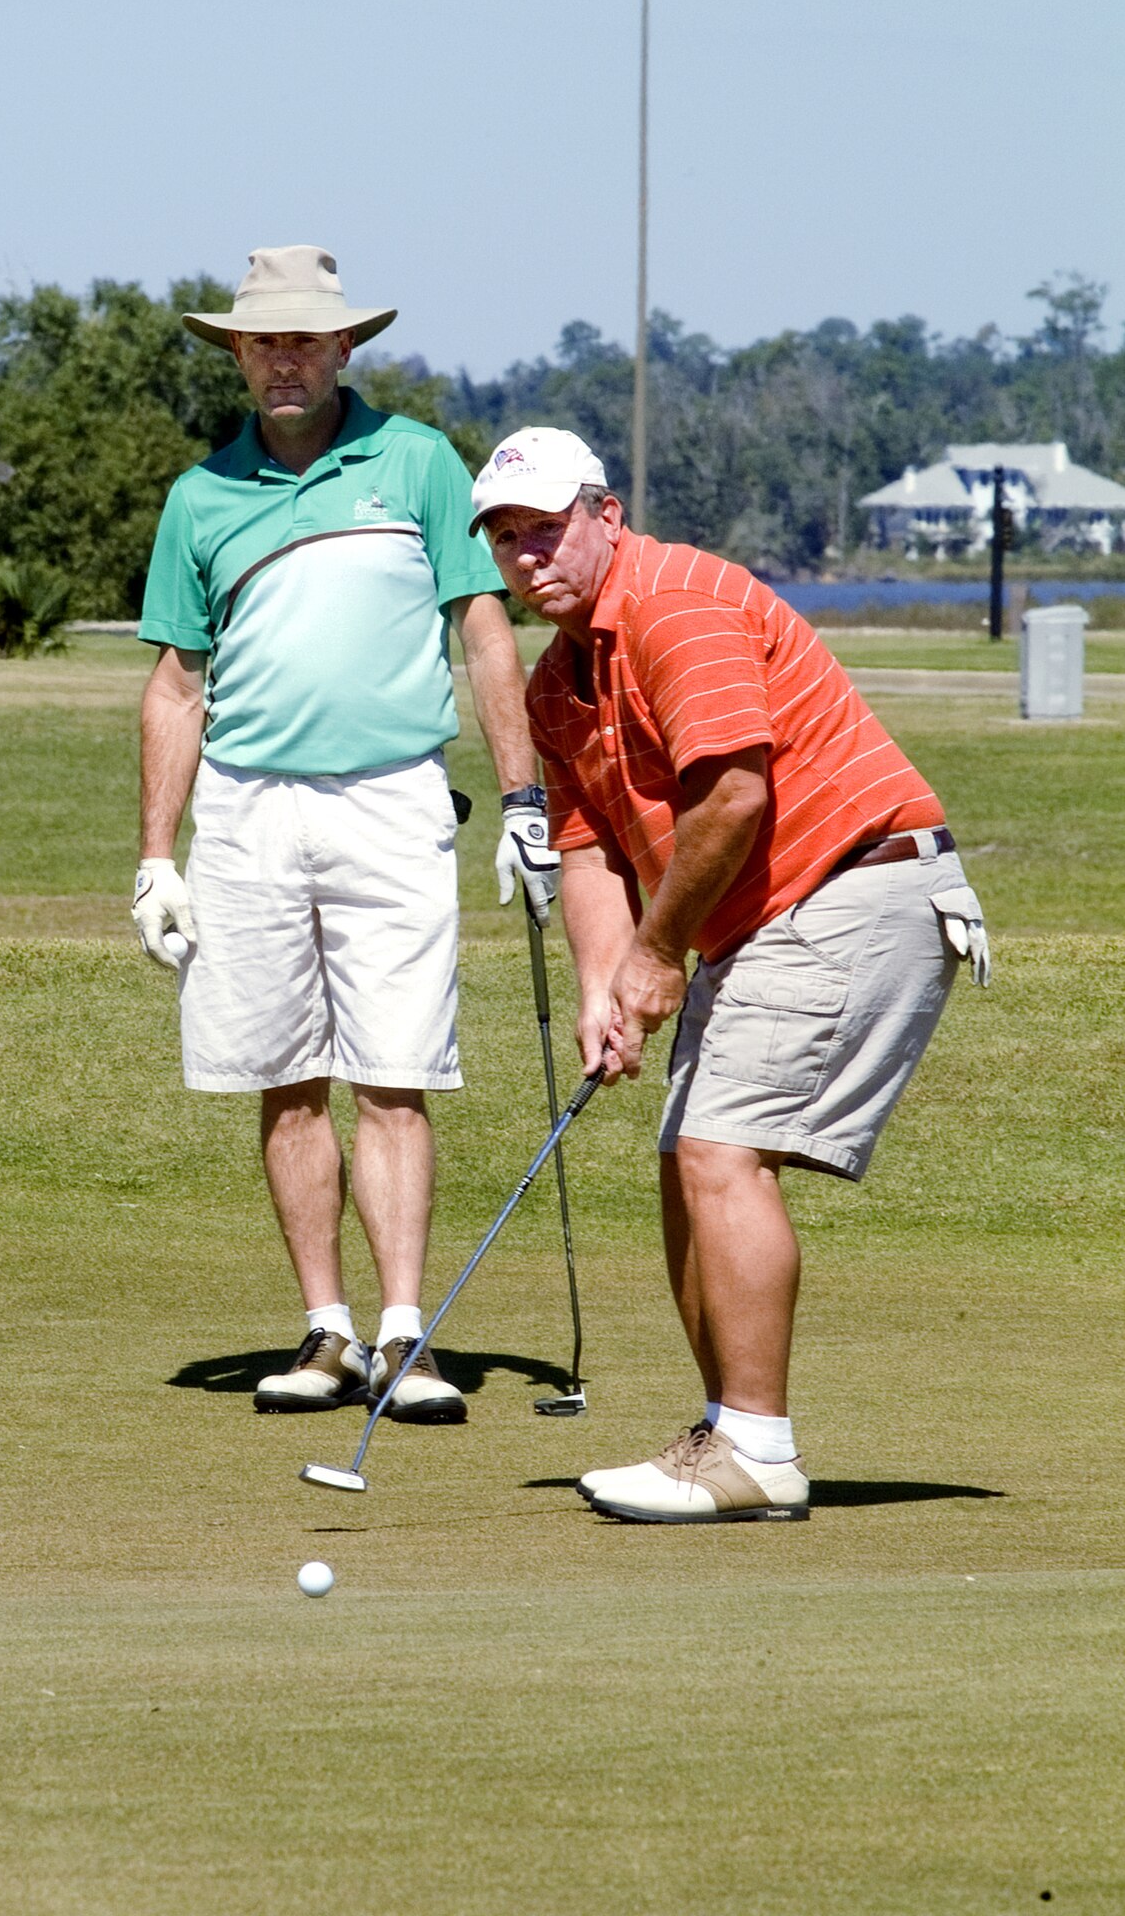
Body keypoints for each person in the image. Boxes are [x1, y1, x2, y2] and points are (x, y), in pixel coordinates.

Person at [469, 426, 990, 1521]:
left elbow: (736, 798)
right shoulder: (559, 681)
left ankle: (756, 1448)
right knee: (685, 1159)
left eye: (546, 527)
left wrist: (657, 955)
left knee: (719, 1147)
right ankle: (725, 1433)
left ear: (605, 514)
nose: (527, 555)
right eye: (506, 538)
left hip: (853, 882)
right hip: (763, 916)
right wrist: (604, 990)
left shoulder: (673, 600)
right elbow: (588, 848)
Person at [133, 247, 556, 1425]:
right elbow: (176, 683)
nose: (282, 359)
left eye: (303, 341)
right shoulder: (200, 494)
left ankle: (405, 1333)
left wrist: (524, 801)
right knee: (283, 1073)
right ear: (235, 353)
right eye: (261, 341)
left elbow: (483, 633)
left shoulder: (415, 460)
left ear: (343, 350)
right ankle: (326, 1328)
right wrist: (156, 855)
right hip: (249, 808)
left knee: (396, 1069)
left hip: (392, 798)